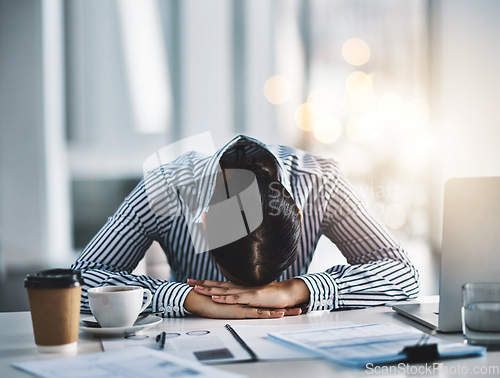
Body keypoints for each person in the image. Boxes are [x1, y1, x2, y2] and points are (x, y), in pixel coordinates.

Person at [71, 134, 420, 319]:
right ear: (203, 225)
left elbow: (404, 274)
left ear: (297, 214)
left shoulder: (320, 183)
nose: (250, 302)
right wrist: (187, 299)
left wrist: (295, 290)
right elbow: (75, 282)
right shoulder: (165, 188)